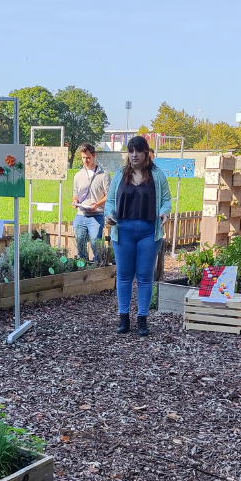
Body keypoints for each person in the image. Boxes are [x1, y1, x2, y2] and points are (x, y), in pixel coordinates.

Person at [104, 136, 172, 337]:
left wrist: (165, 212)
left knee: (144, 276)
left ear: (146, 153)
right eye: (131, 151)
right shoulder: (120, 175)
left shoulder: (157, 175)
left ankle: (142, 319)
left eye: (138, 151)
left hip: (149, 233)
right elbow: (110, 202)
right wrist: (109, 215)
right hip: (123, 231)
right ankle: (124, 319)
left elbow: (166, 200)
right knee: (124, 275)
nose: (134, 155)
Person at [71, 143, 110, 262]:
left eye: (88, 157)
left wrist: (97, 204)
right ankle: (83, 267)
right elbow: (75, 194)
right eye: (83, 157)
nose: (85, 160)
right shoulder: (78, 175)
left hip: (96, 215)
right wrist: (75, 201)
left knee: (95, 244)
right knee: (80, 244)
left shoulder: (104, 174)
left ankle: (97, 267)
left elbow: (109, 196)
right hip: (80, 215)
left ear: (94, 156)